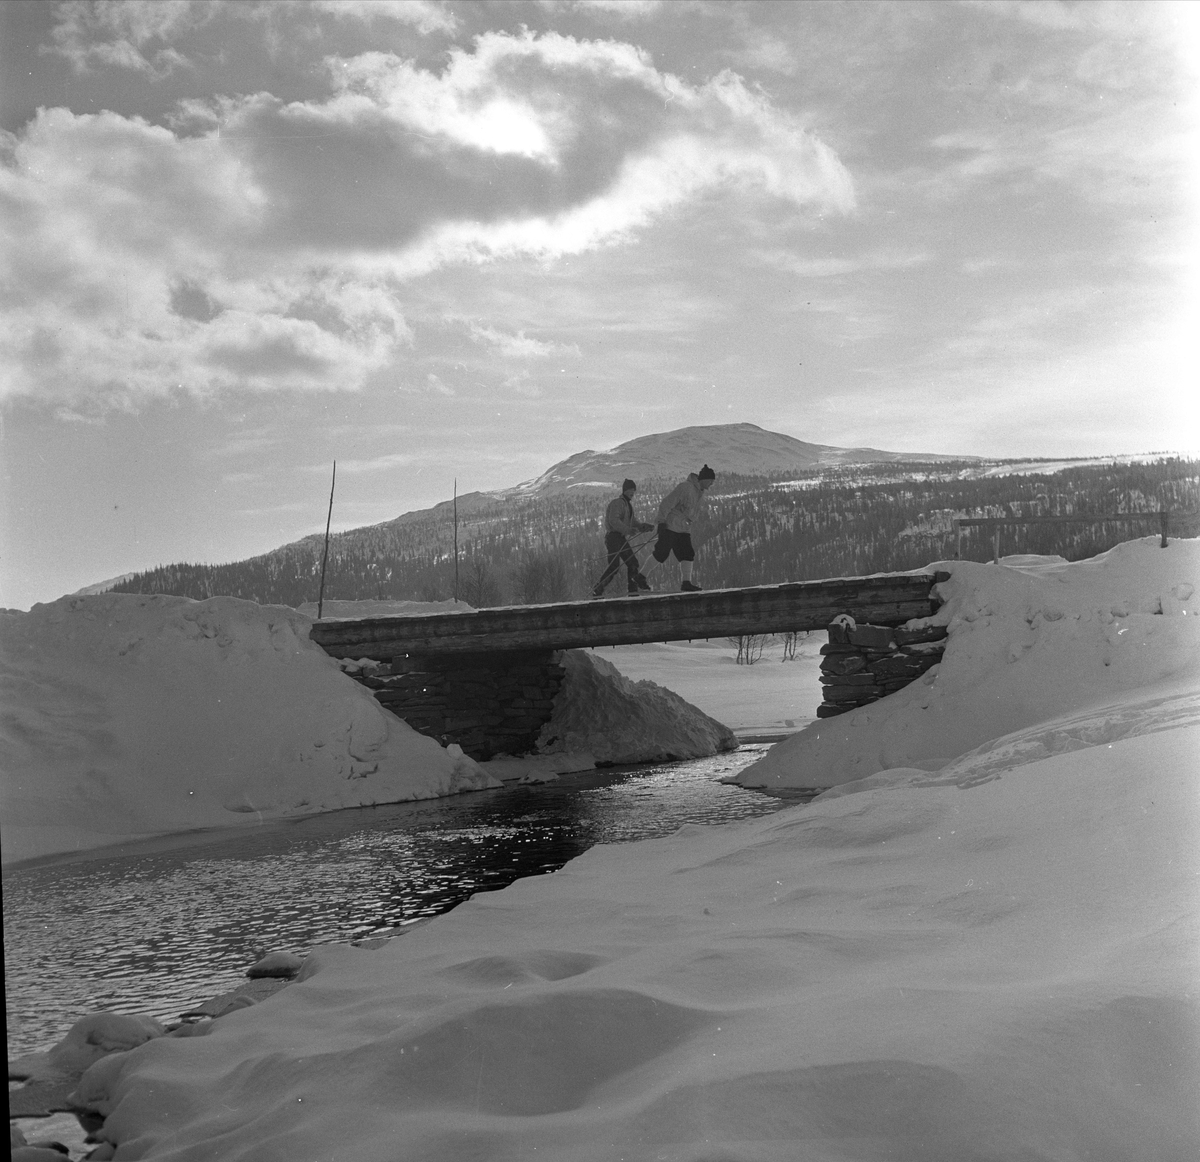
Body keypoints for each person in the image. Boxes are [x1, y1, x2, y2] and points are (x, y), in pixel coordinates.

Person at [652, 464, 715, 591]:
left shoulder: (698, 492)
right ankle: (640, 576)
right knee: (661, 553)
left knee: (687, 553)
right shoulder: (685, 488)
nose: (710, 486)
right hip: (671, 525)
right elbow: (667, 502)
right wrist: (661, 521)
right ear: (705, 480)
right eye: (710, 482)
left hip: (683, 527)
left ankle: (686, 582)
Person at [591, 479, 654, 598]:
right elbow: (613, 520)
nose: (632, 493)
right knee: (614, 565)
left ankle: (632, 591)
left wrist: (642, 526)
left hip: (619, 538)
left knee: (632, 562)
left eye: (633, 491)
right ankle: (598, 589)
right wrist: (627, 530)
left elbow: (631, 522)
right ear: (625, 490)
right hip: (613, 537)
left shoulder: (626, 504)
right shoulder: (618, 503)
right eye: (630, 490)